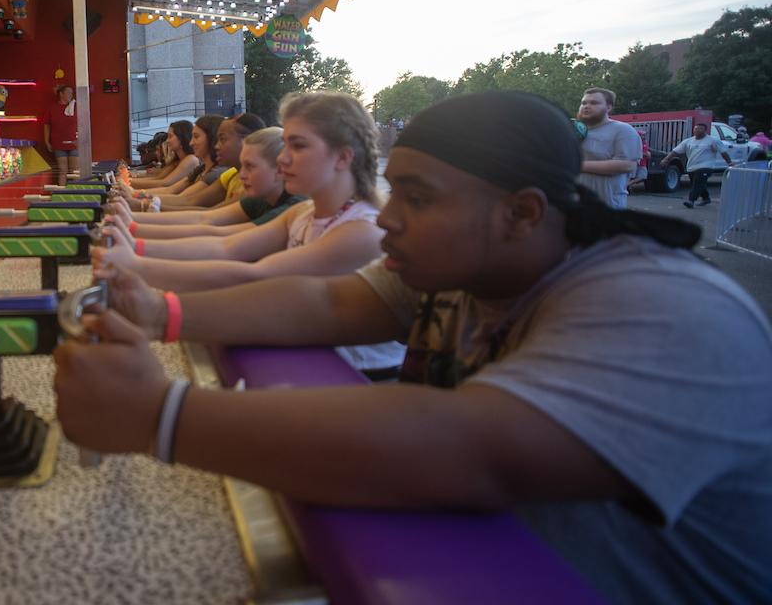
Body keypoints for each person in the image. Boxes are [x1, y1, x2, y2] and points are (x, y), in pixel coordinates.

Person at [54, 90, 772, 604]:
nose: (389, 220)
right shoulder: (463, 267)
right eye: (394, 191)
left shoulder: (665, 310)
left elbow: (473, 450)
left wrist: (160, 416)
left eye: (419, 199)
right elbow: (330, 302)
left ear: (521, 212)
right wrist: (160, 311)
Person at [95, 90, 404, 376]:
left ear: (343, 157)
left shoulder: (361, 231)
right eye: (285, 144)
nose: (282, 159)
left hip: (359, 377)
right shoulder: (303, 213)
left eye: (298, 146)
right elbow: (225, 247)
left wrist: (137, 264)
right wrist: (132, 239)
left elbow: (254, 275)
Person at [109, 127, 304, 239]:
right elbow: (205, 220)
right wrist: (133, 216)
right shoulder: (253, 189)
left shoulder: (204, 166)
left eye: (222, 139)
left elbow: (194, 207)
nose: (166, 144)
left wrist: (137, 208)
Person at [133, 113, 264, 212]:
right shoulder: (227, 174)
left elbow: (188, 202)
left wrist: (139, 199)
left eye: (196, 137)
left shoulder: (196, 162)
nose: (167, 141)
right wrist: (138, 198)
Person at [576, 87, 642, 209]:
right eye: (584, 103)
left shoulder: (623, 130)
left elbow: (627, 165)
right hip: (575, 206)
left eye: (594, 103)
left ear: (609, 107)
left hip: (608, 207)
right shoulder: (575, 130)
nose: (586, 106)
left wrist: (577, 165)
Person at [662, 122, 732, 207]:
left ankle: (691, 201)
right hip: (692, 166)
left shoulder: (713, 140)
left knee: (698, 183)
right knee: (698, 183)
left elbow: (723, 152)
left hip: (706, 166)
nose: (697, 130)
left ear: (705, 131)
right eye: (696, 129)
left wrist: (730, 163)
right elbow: (675, 151)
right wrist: (666, 159)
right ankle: (706, 198)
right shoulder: (688, 141)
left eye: (700, 129)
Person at [128, 121, 199, 190]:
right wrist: (127, 181)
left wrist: (127, 182)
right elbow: (157, 178)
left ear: (182, 138)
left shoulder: (191, 159)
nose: (167, 141)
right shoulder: (177, 160)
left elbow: (165, 183)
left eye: (170, 136)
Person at [41, 85, 78, 185]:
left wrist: (80, 139)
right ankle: (61, 193)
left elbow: (82, 124)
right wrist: (47, 141)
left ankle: (76, 193)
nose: (71, 95)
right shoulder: (52, 108)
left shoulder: (74, 107)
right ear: (61, 94)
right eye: (68, 93)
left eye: (71, 93)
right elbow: (47, 125)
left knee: (74, 171)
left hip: (73, 143)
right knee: (62, 170)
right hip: (58, 143)